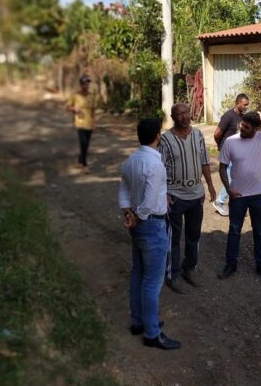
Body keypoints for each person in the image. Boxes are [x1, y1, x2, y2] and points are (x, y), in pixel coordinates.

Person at [118, 118, 181, 350]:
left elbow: (123, 189)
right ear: (157, 136)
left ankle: (139, 321)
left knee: (138, 273)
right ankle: (152, 333)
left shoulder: (131, 160)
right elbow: (150, 199)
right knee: (152, 282)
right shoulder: (155, 165)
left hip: (137, 225)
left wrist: (128, 212)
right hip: (151, 225)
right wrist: (138, 215)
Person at [217, 111, 261, 280]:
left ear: (256, 128)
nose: (242, 128)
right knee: (234, 230)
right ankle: (230, 264)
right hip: (237, 195)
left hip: (259, 194)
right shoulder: (231, 141)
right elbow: (222, 167)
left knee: (260, 232)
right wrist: (228, 189)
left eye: (247, 127)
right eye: (242, 125)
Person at [159, 103, 216, 294]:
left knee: (194, 235)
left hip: (195, 195)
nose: (184, 116)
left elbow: (204, 162)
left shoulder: (198, 135)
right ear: (173, 117)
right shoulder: (166, 139)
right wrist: (164, 193)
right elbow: (160, 168)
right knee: (173, 237)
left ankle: (188, 268)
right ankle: (172, 274)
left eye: (186, 112)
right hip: (174, 196)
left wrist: (209, 185)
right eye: (179, 114)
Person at [212, 93, 250, 217]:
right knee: (230, 180)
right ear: (237, 103)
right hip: (227, 152)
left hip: (237, 152)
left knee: (237, 177)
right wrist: (221, 146)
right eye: (244, 105)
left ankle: (237, 204)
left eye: (247, 105)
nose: (246, 107)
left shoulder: (242, 117)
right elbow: (217, 134)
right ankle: (220, 201)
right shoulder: (228, 116)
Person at [67, 74, 97, 174]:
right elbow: (68, 107)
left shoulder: (92, 96)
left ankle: (80, 160)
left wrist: (94, 123)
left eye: (88, 84)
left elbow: (93, 110)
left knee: (86, 144)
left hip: (89, 123)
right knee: (83, 143)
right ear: (81, 85)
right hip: (79, 123)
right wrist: (74, 108)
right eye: (84, 84)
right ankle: (85, 165)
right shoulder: (75, 95)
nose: (86, 86)